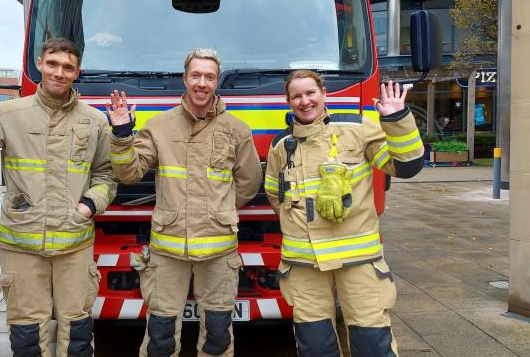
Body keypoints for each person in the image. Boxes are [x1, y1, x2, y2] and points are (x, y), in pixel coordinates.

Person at [0, 38, 117, 357]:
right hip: (21, 243)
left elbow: (106, 174)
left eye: (67, 67)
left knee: (78, 335)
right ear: (39, 64)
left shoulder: (94, 121)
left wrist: (89, 205)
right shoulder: (8, 114)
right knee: (26, 338)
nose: (59, 73)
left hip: (74, 242)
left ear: (77, 72)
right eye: (52, 64)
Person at [106, 48, 262, 357]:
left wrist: (220, 210)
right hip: (167, 251)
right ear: (185, 78)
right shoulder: (160, 126)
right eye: (196, 75)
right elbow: (129, 173)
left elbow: (249, 182)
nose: (202, 83)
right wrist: (123, 134)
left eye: (209, 76)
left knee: (218, 336)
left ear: (217, 81)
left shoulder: (236, 129)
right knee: (160, 337)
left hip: (219, 252)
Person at [264, 70, 424, 356]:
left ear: (324, 94)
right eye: (297, 96)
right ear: (288, 101)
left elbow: (406, 166)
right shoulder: (280, 146)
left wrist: (396, 120)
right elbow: (275, 195)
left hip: (359, 262)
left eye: (310, 93)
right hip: (304, 264)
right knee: (314, 346)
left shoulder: (358, 128)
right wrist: (298, 223)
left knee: (371, 343)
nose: (305, 101)